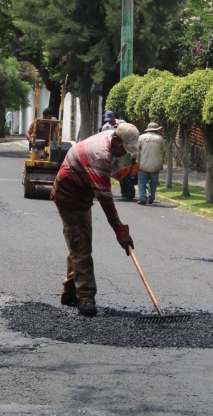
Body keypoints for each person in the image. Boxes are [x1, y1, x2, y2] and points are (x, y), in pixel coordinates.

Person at [50, 123, 138, 316]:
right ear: (116, 141)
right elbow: (106, 199)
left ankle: (70, 292)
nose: (124, 153)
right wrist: (120, 230)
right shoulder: (99, 157)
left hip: (82, 192)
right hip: (69, 194)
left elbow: (114, 170)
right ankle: (85, 298)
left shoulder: (113, 139)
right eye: (124, 148)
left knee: (78, 242)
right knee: (81, 246)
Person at [137, 122, 167, 205]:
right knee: (153, 183)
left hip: (143, 164)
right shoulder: (160, 139)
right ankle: (151, 198)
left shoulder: (141, 137)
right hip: (156, 165)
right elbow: (164, 150)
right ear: (156, 130)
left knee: (142, 182)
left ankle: (142, 198)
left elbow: (137, 149)